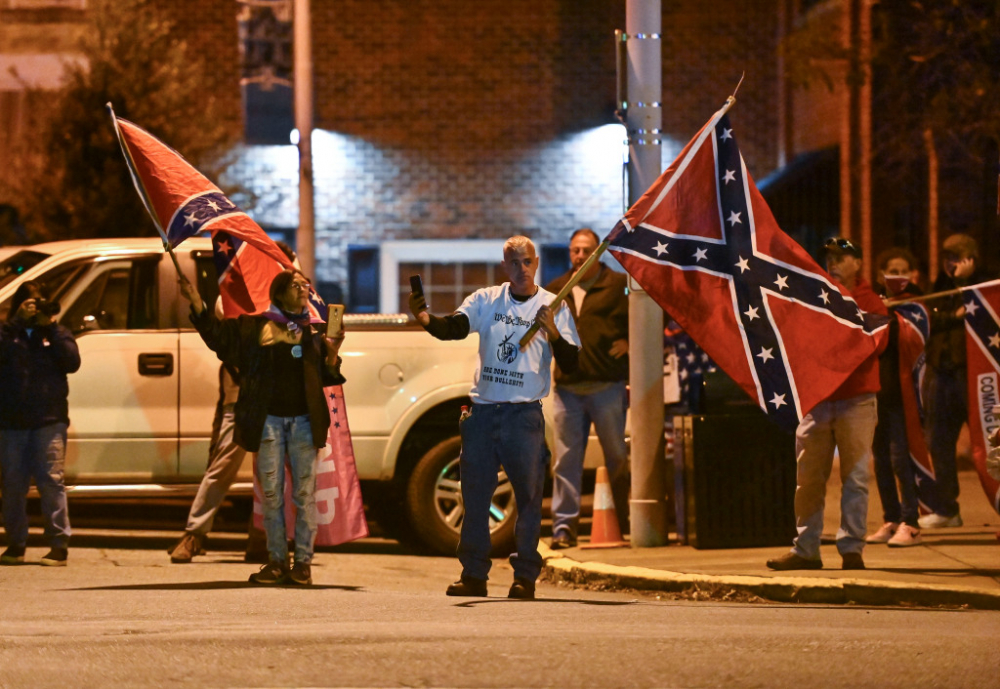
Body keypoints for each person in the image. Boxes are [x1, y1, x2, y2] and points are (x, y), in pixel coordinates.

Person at [410, 236, 580, 599]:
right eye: (513, 262)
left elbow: (574, 363)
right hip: (483, 413)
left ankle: (524, 577)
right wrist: (425, 318)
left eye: (527, 262)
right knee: (474, 497)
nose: (521, 269)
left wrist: (550, 331)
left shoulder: (553, 306)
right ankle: (474, 574)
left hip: (524, 415)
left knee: (529, 497)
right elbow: (454, 328)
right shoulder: (486, 300)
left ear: (537, 263)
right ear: (505, 266)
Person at [179, 268, 345, 585]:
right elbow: (219, 340)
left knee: (304, 494)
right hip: (268, 422)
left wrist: (333, 354)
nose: (303, 289)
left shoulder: (314, 333)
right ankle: (276, 561)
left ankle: (303, 565)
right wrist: (197, 303)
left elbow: (328, 377)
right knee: (270, 495)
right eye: (296, 285)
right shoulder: (254, 328)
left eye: (305, 285)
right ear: (279, 292)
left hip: (304, 424)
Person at [767, 237, 887, 571]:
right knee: (808, 479)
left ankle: (851, 549)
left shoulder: (870, 301)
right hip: (818, 399)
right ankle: (806, 548)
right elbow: (801, 340)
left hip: (856, 400)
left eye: (841, 257)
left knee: (857, 476)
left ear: (858, 262)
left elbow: (872, 345)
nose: (833, 263)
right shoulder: (813, 295)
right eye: (829, 258)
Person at [545, 228, 629, 549]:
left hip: (607, 386)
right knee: (566, 461)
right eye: (574, 251)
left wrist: (631, 343)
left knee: (616, 457)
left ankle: (623, 523)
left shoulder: (619, 286)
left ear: (599, 253)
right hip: (567, 389)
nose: (579, 256)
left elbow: (653, 312)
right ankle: (563, 529)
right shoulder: (556, 290)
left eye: (586, 251)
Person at [167, 299, 267, 564]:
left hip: (265, 401)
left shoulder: (269, 305)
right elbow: (222, 337)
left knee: (268, 473)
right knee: (221, 470)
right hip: (239, 401)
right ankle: (195, 534)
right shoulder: (235, 302)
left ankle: (261, 538)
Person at [0, 281, 81, 566]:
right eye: (30, 303)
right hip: (11, 422)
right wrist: (15, 324)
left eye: (40, 302)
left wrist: (52, 328)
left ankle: (59, 545)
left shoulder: (56, 333)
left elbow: (72, 362)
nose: (36, 308)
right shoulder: (8, 334)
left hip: (49, 420)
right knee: (12, 485)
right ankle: (15, 544)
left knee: (51, 483)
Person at [921, 233, 989, 529]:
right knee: (938, 441)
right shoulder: (942, 285)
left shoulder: (985, 285)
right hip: (942, 370)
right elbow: (932, 318)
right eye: (948, 257)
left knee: (988, 441)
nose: (952, 263)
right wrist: (953, 310)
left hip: (972, 373)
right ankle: (947, 508)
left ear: (972, 258)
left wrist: (964, 284)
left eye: (958, 256)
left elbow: (978, 314)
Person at [867, 247, 924, 547]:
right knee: (881, 461)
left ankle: (910, 521)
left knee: (902, 459)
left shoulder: (918, 305)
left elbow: (911, 338)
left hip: (903, 397)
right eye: (893, 270)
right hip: (878, 393)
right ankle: (891, 519)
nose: (898, 276)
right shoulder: (874, 303)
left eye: (904, 271)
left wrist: (889, 314)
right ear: (881, 274)